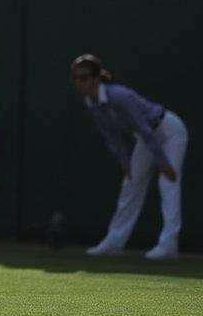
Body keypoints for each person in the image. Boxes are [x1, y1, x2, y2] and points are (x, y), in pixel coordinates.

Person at [72, 54, 188, 260]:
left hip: (169, 131)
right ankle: (114, 242)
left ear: (97, 78)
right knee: (130, 185)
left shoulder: (120, 96)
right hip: (146, 139)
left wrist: (163, 163)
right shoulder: (90, 103)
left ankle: (169, 244)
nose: (79, 82)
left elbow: (144, 128)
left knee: (167, 182)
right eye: (76, 78)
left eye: (84, 77)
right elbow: (111, 136)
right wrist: (125, 164)